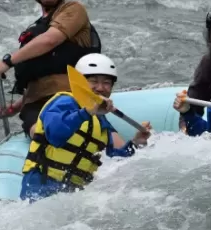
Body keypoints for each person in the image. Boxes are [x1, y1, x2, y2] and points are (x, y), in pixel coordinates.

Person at [0, 0, 101, 138]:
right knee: (40, 133)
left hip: (70, 98)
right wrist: (15, 107)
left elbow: (50, 40)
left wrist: (8, 61)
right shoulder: (33, 31)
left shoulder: (74, 10)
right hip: (35, 106)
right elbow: (40, 78)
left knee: (49, 133)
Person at [20, 54, 151, 201]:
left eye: (107, 83)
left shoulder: (101, 120)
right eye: (94, 81)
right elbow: (55, 134)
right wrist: (86, 112)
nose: (100, 88)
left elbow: (112, 163)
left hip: (73, 197)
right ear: (80, 82)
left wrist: (135, 143)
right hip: (40, 188)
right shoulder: (63, 101)